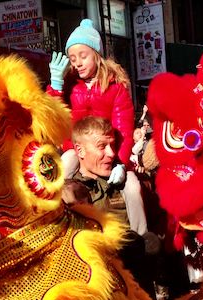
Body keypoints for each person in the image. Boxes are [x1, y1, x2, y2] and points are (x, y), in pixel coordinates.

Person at [48, 18, 149, 236]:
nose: (77, 63)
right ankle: (56, 228)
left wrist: (121, 162)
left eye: (83, 56)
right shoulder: (68, 86)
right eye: (73, 58)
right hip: (77, 151)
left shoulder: (115, 88)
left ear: (96, 54)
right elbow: (53, 118)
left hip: (111, 153)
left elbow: (123, 127)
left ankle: (141, 237)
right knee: (63, 169)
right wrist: (55, 87)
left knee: (132, 188)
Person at [63, 115, 160, 296]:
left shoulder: (126, 186)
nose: (111, 153)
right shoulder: (67, 194)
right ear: (80, 150)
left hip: (135, 293)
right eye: (102, 146)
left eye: (113, 145)